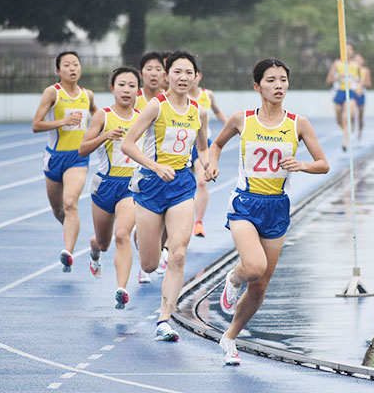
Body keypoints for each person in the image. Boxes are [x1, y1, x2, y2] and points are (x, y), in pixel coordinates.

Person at [204, 59, 329, 365]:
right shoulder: (242, 119)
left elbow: (323, 164)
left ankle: (230, 337)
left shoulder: (298, 124)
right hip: (245, 203)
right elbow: (216, 144)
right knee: (254, 266)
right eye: (271, 80)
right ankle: (233, 278)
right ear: (257, 86)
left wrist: (302, 165)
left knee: (260, 287)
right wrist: (212, 163)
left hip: (277, 207)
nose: (278, 86)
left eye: (283, 80)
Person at [122, 51, 209, 341]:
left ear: (196, 76)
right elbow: (128, 144)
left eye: (189, 73)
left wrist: (209, 165)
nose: (183, 78)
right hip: (150, 185)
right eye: (177, 72)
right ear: (166, 76)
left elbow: (202, 149)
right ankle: (148, 241)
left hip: (181, 186)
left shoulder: (199, 111)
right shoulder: (155, 107)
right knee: (148, 263)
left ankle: (163, 320)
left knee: (179, 254)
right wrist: (155, 166)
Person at [78, 67, 142, 309]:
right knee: (104, 243)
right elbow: (82, 150)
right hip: (105, 186)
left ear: (138, 89)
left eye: (132, 85)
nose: (126, 90)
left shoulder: (143, 117)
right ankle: (94, 249)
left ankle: (122, 289)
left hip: (130, 186)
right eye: (122, 85)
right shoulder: (102, 116)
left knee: (122, 234)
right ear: (112, 88)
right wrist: (104, 136)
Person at [32, 51, 98, 272]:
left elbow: (98, 116)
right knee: (58, 210)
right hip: (54, 158)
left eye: (76, 64)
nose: (72, 68)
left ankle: (68, 252)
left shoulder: (87, 95)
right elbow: (36, 125)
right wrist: (63, 121)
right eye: (67, 65)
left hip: (77, 158)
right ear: (58, 71)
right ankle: (70, 230)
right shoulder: (53, 93)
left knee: (71, 203)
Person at [135, 51, 169, 283]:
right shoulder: (131, 97)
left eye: (159, 69)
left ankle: (161, 251)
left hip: (167, 170)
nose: (154, 73)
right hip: (135, 169)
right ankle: (146, 258)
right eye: (149, 68)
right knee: (142, 225)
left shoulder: (171, 100)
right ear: (141, 73)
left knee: (167, 219)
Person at [188, 69, 228, 238]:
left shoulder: (207, 95)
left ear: (199, 76)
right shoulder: (177, 96)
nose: (192, 79)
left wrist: (229, 126)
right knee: (185, 185)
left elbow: (217, 111)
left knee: (202, 183)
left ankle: (198, 223)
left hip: (202, 143)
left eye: (194, 75)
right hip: (183, 145)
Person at [325, 43, 359, 151]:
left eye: (350, 49)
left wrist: (357, 84)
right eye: (346, 49)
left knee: (347, 116)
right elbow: (329, 80)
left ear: (352, 51)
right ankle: (347, 132)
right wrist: (339, 77)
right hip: (339, 92)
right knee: (339, 119)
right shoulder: (337, 63)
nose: (348, 51)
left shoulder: (355, 65)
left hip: (351, 92)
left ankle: (345, 142)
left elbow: (359, 80)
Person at [353, 53, 371, 144]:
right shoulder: (351, 70)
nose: (358, 61)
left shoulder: (365, 70)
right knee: (351, 114)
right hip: (353, 93)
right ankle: (351, 132)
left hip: (361, 94)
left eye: (359, 59)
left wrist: (361, 82)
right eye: (356, 59)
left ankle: (359, 133)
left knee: (360, 115)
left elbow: (368, 84)